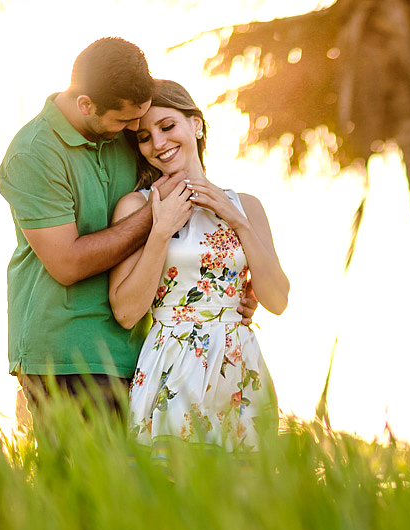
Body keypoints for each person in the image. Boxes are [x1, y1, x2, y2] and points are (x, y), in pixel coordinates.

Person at [0, 38, 253, 423]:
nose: (136, 130)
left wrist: (229, 291)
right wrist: (155, 214)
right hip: (67, 354)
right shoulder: (33, 155)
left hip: (143, 351)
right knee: (83, 481)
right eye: (126, 121)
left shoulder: (119, 133)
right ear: (87, 105)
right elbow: (67, 263)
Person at [107, 79, 291, 450]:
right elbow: (126, 312)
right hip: (171, 365)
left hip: (239, 365)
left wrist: (235, 218)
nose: (158, 143)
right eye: (144, 137)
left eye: (167, 126)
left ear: (197, 124)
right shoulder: (135, 208)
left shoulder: (247, 205)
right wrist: (161, 230)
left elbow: (278, 300)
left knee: (246, 499)